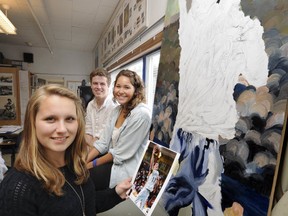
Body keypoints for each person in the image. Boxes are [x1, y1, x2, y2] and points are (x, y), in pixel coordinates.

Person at [0, 84, 132, 216]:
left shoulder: (76, 167)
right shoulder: (18, 187)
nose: (62, 129)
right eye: (50, 119)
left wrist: (116, 193)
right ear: (32, 124)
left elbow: (83, 205)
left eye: (69, 119)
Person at [87, 69, 151, 189]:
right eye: (118, 86)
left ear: (136, 90)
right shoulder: (117, 110)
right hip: (112, 159)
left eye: (126, 87)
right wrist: (83, 161)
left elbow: (119, 154)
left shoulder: (141, 115)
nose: (121, 91)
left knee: (85, 178)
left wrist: (90, 165)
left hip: (124, 169)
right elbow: (103, 142)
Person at [85, 68, 117, 146]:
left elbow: (102, 137)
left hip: (106, 152)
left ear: (108, 86)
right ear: (91, 85)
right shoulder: (90, 105)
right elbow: (88, 131)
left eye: (102, 84)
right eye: (95, 83)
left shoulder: (114, 107)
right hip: (91, 147)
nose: (98, 87)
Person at [134, 145, 160, 211]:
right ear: (153, 166)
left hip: (148, 191)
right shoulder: (152, 171)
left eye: (157, 166)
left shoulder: (157, 173)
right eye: (156, 165)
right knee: (137, 201)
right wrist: (153, 154)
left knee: (141, 205)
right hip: (146, 189)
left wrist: (156, 183)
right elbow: (151, 163)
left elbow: (156, 183)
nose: (157, 166)